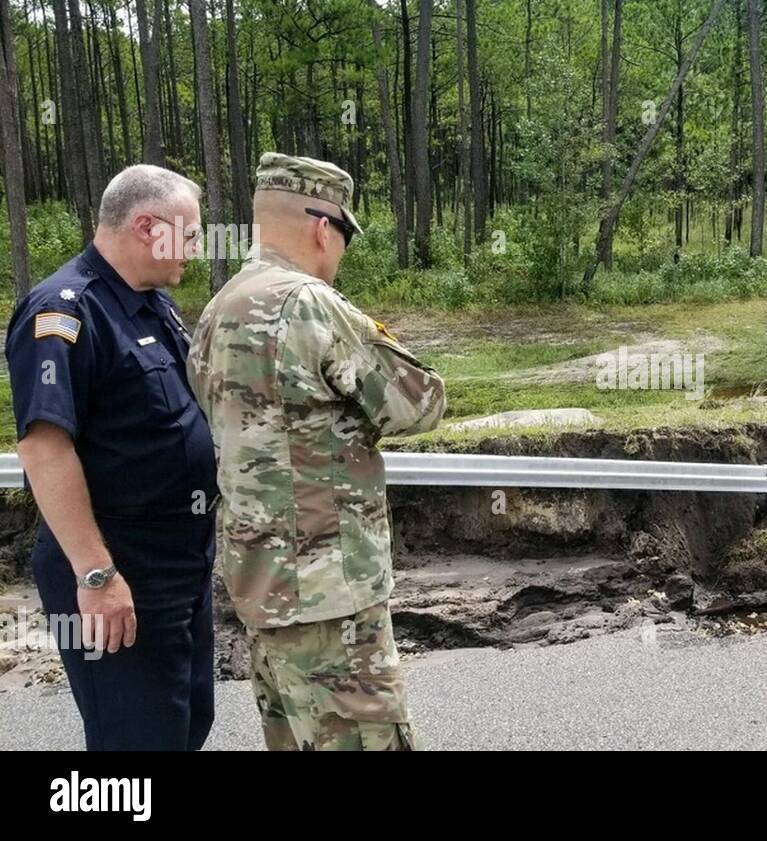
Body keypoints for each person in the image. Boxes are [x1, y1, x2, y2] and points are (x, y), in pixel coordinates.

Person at [186, 153, 446, 751]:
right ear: (322, 227)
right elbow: (420, 402)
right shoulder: (309, 303)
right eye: (345, 235)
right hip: (329, 591)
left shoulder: (217, 310)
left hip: (261, 585)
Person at [5, 164, 218, 750]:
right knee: (136, 745)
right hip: (120, 564)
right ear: (148, 226)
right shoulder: (64, 313)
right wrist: (97, 576)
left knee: (184, 724)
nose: (196, 250)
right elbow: (44, 447)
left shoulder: (151, 303)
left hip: (180, 561)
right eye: (191, 235)